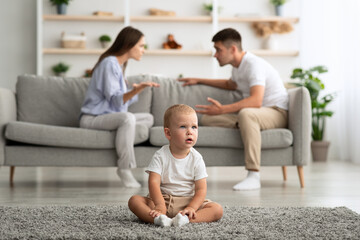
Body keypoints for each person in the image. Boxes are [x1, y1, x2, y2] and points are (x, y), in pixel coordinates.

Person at [179, 28, 289, 191]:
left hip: (276, 111)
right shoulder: (238, 67)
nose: (215, 54)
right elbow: (230, 84)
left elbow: (256, 100)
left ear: (233, 49)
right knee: (208, 118)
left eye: (218, 50)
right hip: (256, 115)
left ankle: (253, 175)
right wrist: (199, 80)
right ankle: (248, 127)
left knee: (246, 114)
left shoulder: (253, 64)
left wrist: (223, 109)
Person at [80, 26, 159, 188]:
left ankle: (122, 136)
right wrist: (138, 89)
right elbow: (116, 102)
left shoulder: (120, 66)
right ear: (129, 45)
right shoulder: (109, 64)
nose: (143, 50)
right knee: (127, 118)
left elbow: (122, 102)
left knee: (148, 118)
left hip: (109, 117)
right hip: (92, 119)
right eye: (141, 46)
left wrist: (133, 90)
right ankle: (124, 168)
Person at [128, 104, 223, 227]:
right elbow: (154, 183)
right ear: (168, 133)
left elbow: (201, 189)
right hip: (162, 200)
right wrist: (160, 205)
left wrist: (192, 208)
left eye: (194, 127)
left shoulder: (197, 158)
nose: (190, 132)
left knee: (217, 209)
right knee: (134, 201)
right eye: (183, 127)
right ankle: (159, 219)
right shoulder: (160, 155)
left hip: (188, 201)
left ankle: (186, 219)